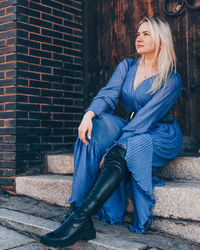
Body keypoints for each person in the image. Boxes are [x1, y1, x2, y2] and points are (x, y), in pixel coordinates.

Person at [40, 16, 183, 248]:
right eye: (138, 33)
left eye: (146, 34)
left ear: (160, 39)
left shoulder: (171, 79)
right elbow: (108, 94)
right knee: (93, 130)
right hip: (132, 126)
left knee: (124, 149)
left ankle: (79, 220)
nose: (139, 38)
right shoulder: (126, 66)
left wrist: (114, 149)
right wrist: (89, 115)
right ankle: (77, 211)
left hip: (160, 134)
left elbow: (146, 119)